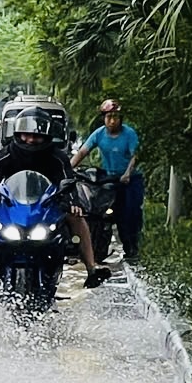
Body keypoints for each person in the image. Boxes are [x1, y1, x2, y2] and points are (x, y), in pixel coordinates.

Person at [0, 100, 105, 287]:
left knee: (77, 218)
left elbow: (68, 181)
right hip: (13, 204)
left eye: (37, 136)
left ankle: (91, 268)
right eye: (27, 135)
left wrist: (73, 203)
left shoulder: (57, 157)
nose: (31, 140)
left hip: (49, 204)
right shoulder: (4, 155)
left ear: (46, 135)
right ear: (17, 133)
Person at [75, 96, 144, 263]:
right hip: (110, 179)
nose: (112, 121)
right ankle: (96, 245)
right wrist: (67, 169)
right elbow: (82, 152)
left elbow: (135, 156)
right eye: (109, 117)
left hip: (130, 179)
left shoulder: (129, 134)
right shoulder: (99, 134)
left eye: (115, 117)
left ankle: (132, 247)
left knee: (129, 214)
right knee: (102, 212)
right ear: (104, 118)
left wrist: (127, 173)